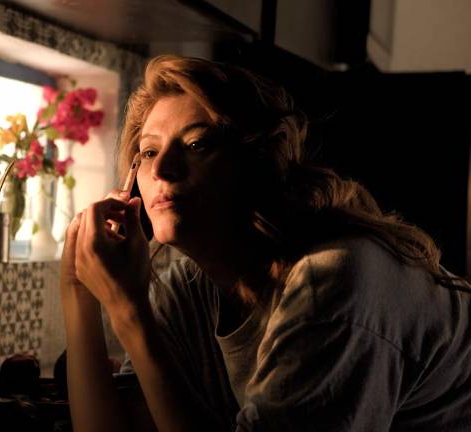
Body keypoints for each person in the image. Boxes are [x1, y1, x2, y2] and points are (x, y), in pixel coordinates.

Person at [59, 54, 471, 431]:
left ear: (257, 161)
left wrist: (129, 312)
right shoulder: (188, 289)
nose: (163, 169)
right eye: (148, 152)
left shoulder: (332, 281)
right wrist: (76, 289)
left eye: (197, 144)